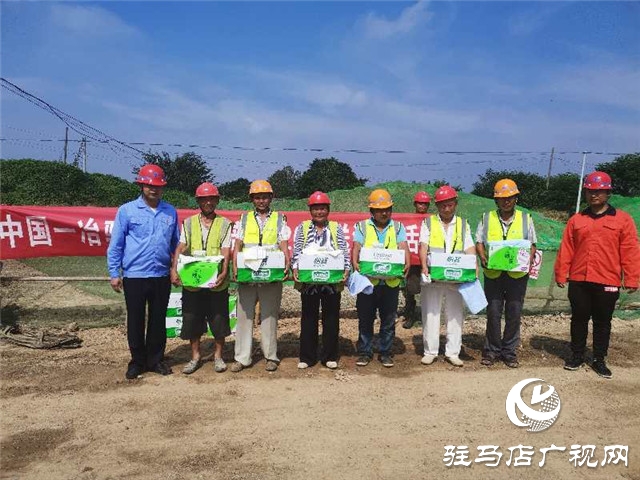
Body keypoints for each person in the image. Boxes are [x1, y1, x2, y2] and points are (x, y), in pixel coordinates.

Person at [555, 171, 639, 379]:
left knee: (603, 321)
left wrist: (631, 277)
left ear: (608, 193)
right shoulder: (577, 220)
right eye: (590, 191)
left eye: (599, 191)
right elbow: (567, 248)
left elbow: (630, 249)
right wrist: (561, 273)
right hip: (579, 279)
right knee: (579, 319)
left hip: (608, 280)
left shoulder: (622, 220)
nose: (594, 195)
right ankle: (576, 356)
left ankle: (599, 359)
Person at [107, 164, 179, 379]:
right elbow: (116, 244)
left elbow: (176, 244)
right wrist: (114, 272)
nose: (153, 189)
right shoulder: (127, 210)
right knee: (136, 320)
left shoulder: (170, 211)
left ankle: (155, 360)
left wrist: (175, 269)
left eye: (157, 186)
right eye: (149, 185)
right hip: (135, 275)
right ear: (141, 185)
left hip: (160, 275)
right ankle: (137, 361)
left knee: (158, 320)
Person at [170, 183, 233, 375]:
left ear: (217, 200)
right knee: (192, 319)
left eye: (212, 199)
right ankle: (195, 356)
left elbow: (226, 249)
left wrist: (223, 272)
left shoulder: (224, 223)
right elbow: (181, 246)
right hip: (194, 281)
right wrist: (174, 269)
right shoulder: (188, 223)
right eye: (204, 199)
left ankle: (218, 357)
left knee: (219, 319)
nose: (208, 202)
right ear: (198, 201)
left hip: (216, 281)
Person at [475, 179, 537, 368]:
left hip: (517, 276)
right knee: (493, 312)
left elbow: (533, 245)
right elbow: (478, 241)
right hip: (493, 274)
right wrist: (483, 257)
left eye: (510, 197)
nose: (506, 201)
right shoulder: (487, 218)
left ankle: (509, 351)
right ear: (496, 200)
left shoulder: (526, 219)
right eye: (502, 198)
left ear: (516, 198)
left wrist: (527, 259)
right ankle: (492, 350)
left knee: (514, 313)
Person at [231, 180, 290, 373]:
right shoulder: (244, 218)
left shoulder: (280, 218)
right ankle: (242, 357)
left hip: (270, 271)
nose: (261, 200)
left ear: (271, 198)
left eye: (265, 196)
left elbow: (283, 243)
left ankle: (270, 355)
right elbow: (238, 244)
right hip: (248, 271)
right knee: (244, 315)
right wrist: (235, 266)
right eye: (257, 197)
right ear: (251, 199)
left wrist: (286, 261)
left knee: (270, 315)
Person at [352, 189, 410, 368]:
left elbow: (403, 246)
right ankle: (365, 352)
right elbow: (356, 247)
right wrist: (355, 262)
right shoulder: (362, 226)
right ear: (372, 211)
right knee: (365, 318)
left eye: (387, 209)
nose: (384, 213)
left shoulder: (398, 227)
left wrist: (407, 261)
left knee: (388, 319)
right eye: (379, 210)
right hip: (368, 282)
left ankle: (385, 352)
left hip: (390, 282)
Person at [291, 191, 350, 370]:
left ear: (328, 210)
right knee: (308, 318)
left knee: (331, 318)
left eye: (322, 208)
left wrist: (346, 269)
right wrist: (295, 268)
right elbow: (297, 251)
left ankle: (329, 356)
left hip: (331, 283)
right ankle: (307, 357)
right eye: (316, 208)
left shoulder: (336, 228)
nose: (319, 212)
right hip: (309, 282)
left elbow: (343, 250)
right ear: (310, 210)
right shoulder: (302, 228)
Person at [419, 185, 476, 367]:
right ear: (437, 206)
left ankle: (453, 352)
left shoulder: (462, 224)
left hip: (456, 275)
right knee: (431, 312)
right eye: (442, 205)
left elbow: (469, 247)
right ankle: (430, 351)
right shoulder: (428, 222)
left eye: (449, 204)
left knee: (455, 314)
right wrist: (423, 267)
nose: (446, 208)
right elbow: (423, 246)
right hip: (434, 275)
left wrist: (474, 265)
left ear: (455, 204)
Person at [402, 191, 431, 329]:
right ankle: (410, 314)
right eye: (420, 203)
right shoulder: (408, 220)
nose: (422, 206)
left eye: (425, 204)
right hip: (413, 259)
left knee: (429, 288)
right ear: (415, 204)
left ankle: (428, 315)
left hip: (427, 260)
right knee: (411, 288)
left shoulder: (433, 221)